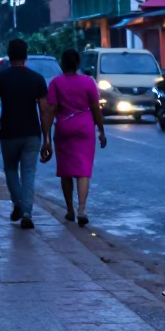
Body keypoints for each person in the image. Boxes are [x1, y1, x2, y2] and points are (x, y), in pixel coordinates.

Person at [0, 39, 48, 230]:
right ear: (26, 55)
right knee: (28, 173)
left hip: (9, 133)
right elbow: (44, 111)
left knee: (11, 170)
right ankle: (27, 212)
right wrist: (47, 140)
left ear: (9, 55)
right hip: (32, 134)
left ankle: (18, 204)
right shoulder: (37, 79)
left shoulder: (1, 78)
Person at [42, 48, 105, 226]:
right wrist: (101, 130)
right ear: (77, 64)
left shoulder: (55, 83)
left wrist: (46, 137)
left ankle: (69, 209)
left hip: (63, 128)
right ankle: (81, 209)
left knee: (66, 171)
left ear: (62, 64)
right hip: (85, 129)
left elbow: (50, 111)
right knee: (83, 170)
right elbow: (95, 109)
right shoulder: (88, 82)